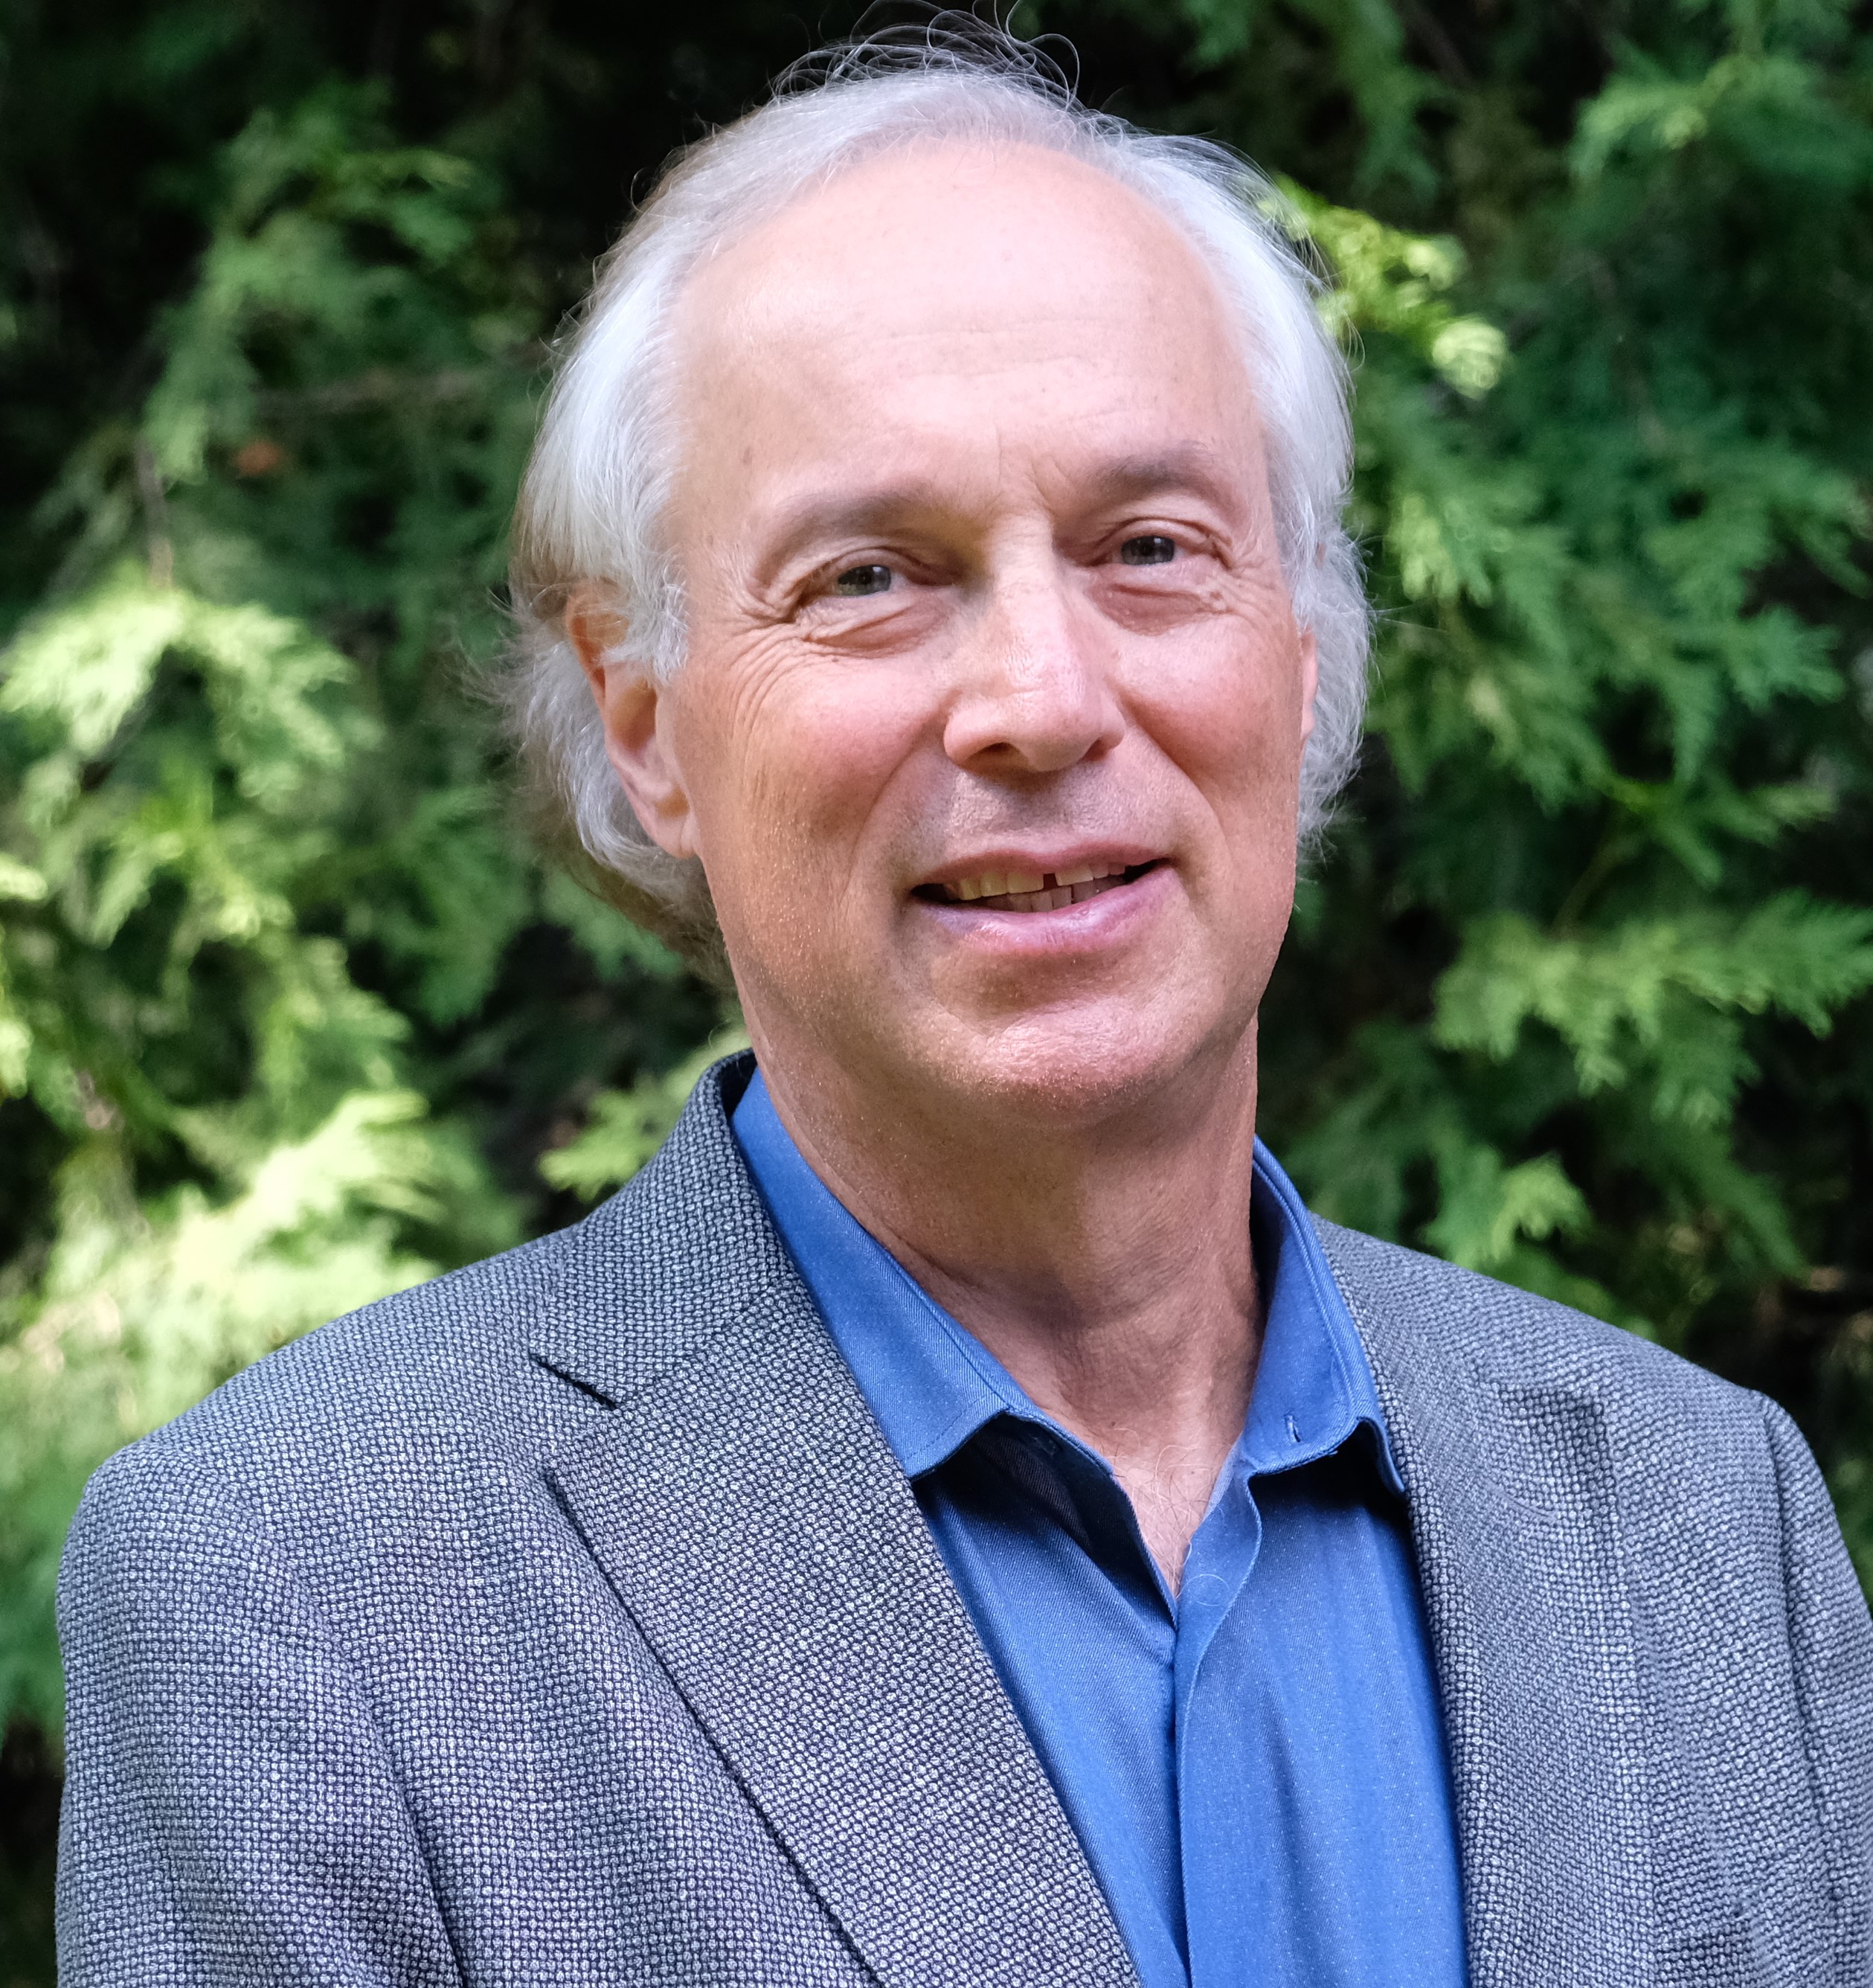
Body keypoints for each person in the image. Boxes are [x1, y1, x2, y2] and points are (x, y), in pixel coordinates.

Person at [57, 30, 1871, 1988]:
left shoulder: (1708, 1526)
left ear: (1301, 651)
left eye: (1151, 550)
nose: (1041, 702)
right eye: (871, 578)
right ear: (646, 725)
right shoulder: (302, 1591)